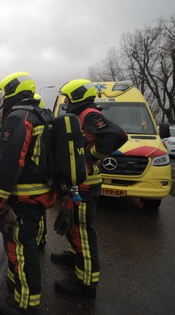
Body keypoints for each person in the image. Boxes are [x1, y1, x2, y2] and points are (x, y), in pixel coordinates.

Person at [0, 72, 57, 315]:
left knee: (24, 248)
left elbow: (10, 165)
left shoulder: (19, 117)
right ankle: (18, 282)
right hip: (39, 193)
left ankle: (26, 305)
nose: (3, 100)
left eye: (5, 94)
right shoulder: (42, 114)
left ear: (13, 93)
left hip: (24, 197)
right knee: (23, 245)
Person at [51, 79, 127, 299]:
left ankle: (86, 283)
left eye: (67, 98)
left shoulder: (89, 114)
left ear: (77, 96)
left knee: (84, 232)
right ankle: (74, 255)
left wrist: (90, 156)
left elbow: (117, 135)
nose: (65, 102)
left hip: (85, 185)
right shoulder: (82, 115)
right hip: (79, 182)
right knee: (74, 227)